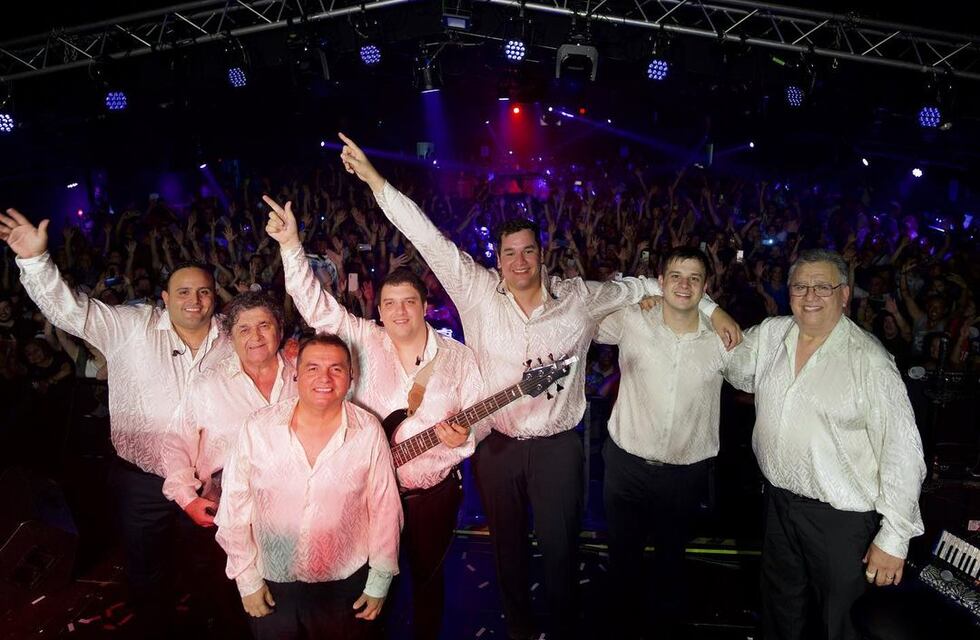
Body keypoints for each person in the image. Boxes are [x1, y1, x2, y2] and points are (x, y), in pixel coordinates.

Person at [336, 133, 742, 640]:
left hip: (557, 446)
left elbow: (654, 284)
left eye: (528, 250)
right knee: (506, 548)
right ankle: (520, 630)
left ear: (541, 255)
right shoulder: (476, 290)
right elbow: (427, 237)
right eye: (510, 253)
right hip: (497, 444)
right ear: (499, 259)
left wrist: (712, 309)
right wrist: (375, 180)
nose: (520, 261)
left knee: (560, 548)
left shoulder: (579, 299)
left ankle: (564, 627)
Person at [0, 208, 231, 636]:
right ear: (164, 298)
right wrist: (34, 261)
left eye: (203, 292)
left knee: (211, 561)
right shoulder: (130, 326)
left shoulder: (232, 339)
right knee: (147, 569)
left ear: (214, 297)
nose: (194, 300)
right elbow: (73, 312)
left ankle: (211, 624)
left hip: (207, 479)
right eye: (183, 292)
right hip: (141, 481)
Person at [264, 195, 483, 640]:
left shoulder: (459, 358)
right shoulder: (363, 339)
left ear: (425, 305)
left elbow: (479, 417)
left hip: (432, 495)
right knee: (371, 587)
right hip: (367, 494)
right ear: (379, 309)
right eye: (390, 303)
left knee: (428, 581)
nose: (399, 311)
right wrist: (290, 245)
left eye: (409, 302)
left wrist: (464, 436)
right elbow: (314, 304)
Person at [727, 249, 926, 640]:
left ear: (844, 294)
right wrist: (707, 314)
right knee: (780, 614)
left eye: (822, 287)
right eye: (800, 286)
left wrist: (894, 537)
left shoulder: (869, 360)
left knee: (842, 624)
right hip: (779, 505)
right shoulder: (772, 334)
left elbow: (902, 452)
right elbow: (733, 366)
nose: (810, 296)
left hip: (841, 521)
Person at [594, 246, 742, 639]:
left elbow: (753, 375)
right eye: (675, 276)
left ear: (706, 287)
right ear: (660, 281)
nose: (684, 285)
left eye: (694, 279)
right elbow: (587, 309)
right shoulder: (633, 319)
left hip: (684, 472)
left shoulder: (721, 338)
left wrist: (714, 312)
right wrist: (640, 291)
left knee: (671, 560)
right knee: (622, 558)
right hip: (626, 465)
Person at [214, 333, 403, 640]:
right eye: (313, 368)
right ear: (296, 375)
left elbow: (385, 507)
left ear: (351, 377)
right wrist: (246, 579)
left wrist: (380, 580)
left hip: (344, 582)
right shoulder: (258, 427)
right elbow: (234, 506)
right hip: (272, 579)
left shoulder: (368, 430)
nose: (324, 378)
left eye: (336, 369)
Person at [161, 291, 297, 634]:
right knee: (230, 616)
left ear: (280, 330)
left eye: (264, 325)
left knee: (284, 614)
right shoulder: (207, 384)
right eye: (244, 329)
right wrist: (187, 499)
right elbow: (176, 442)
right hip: (224, 517)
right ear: (231, 337)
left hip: (292, 519)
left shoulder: (303, 375)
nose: (256, 337)